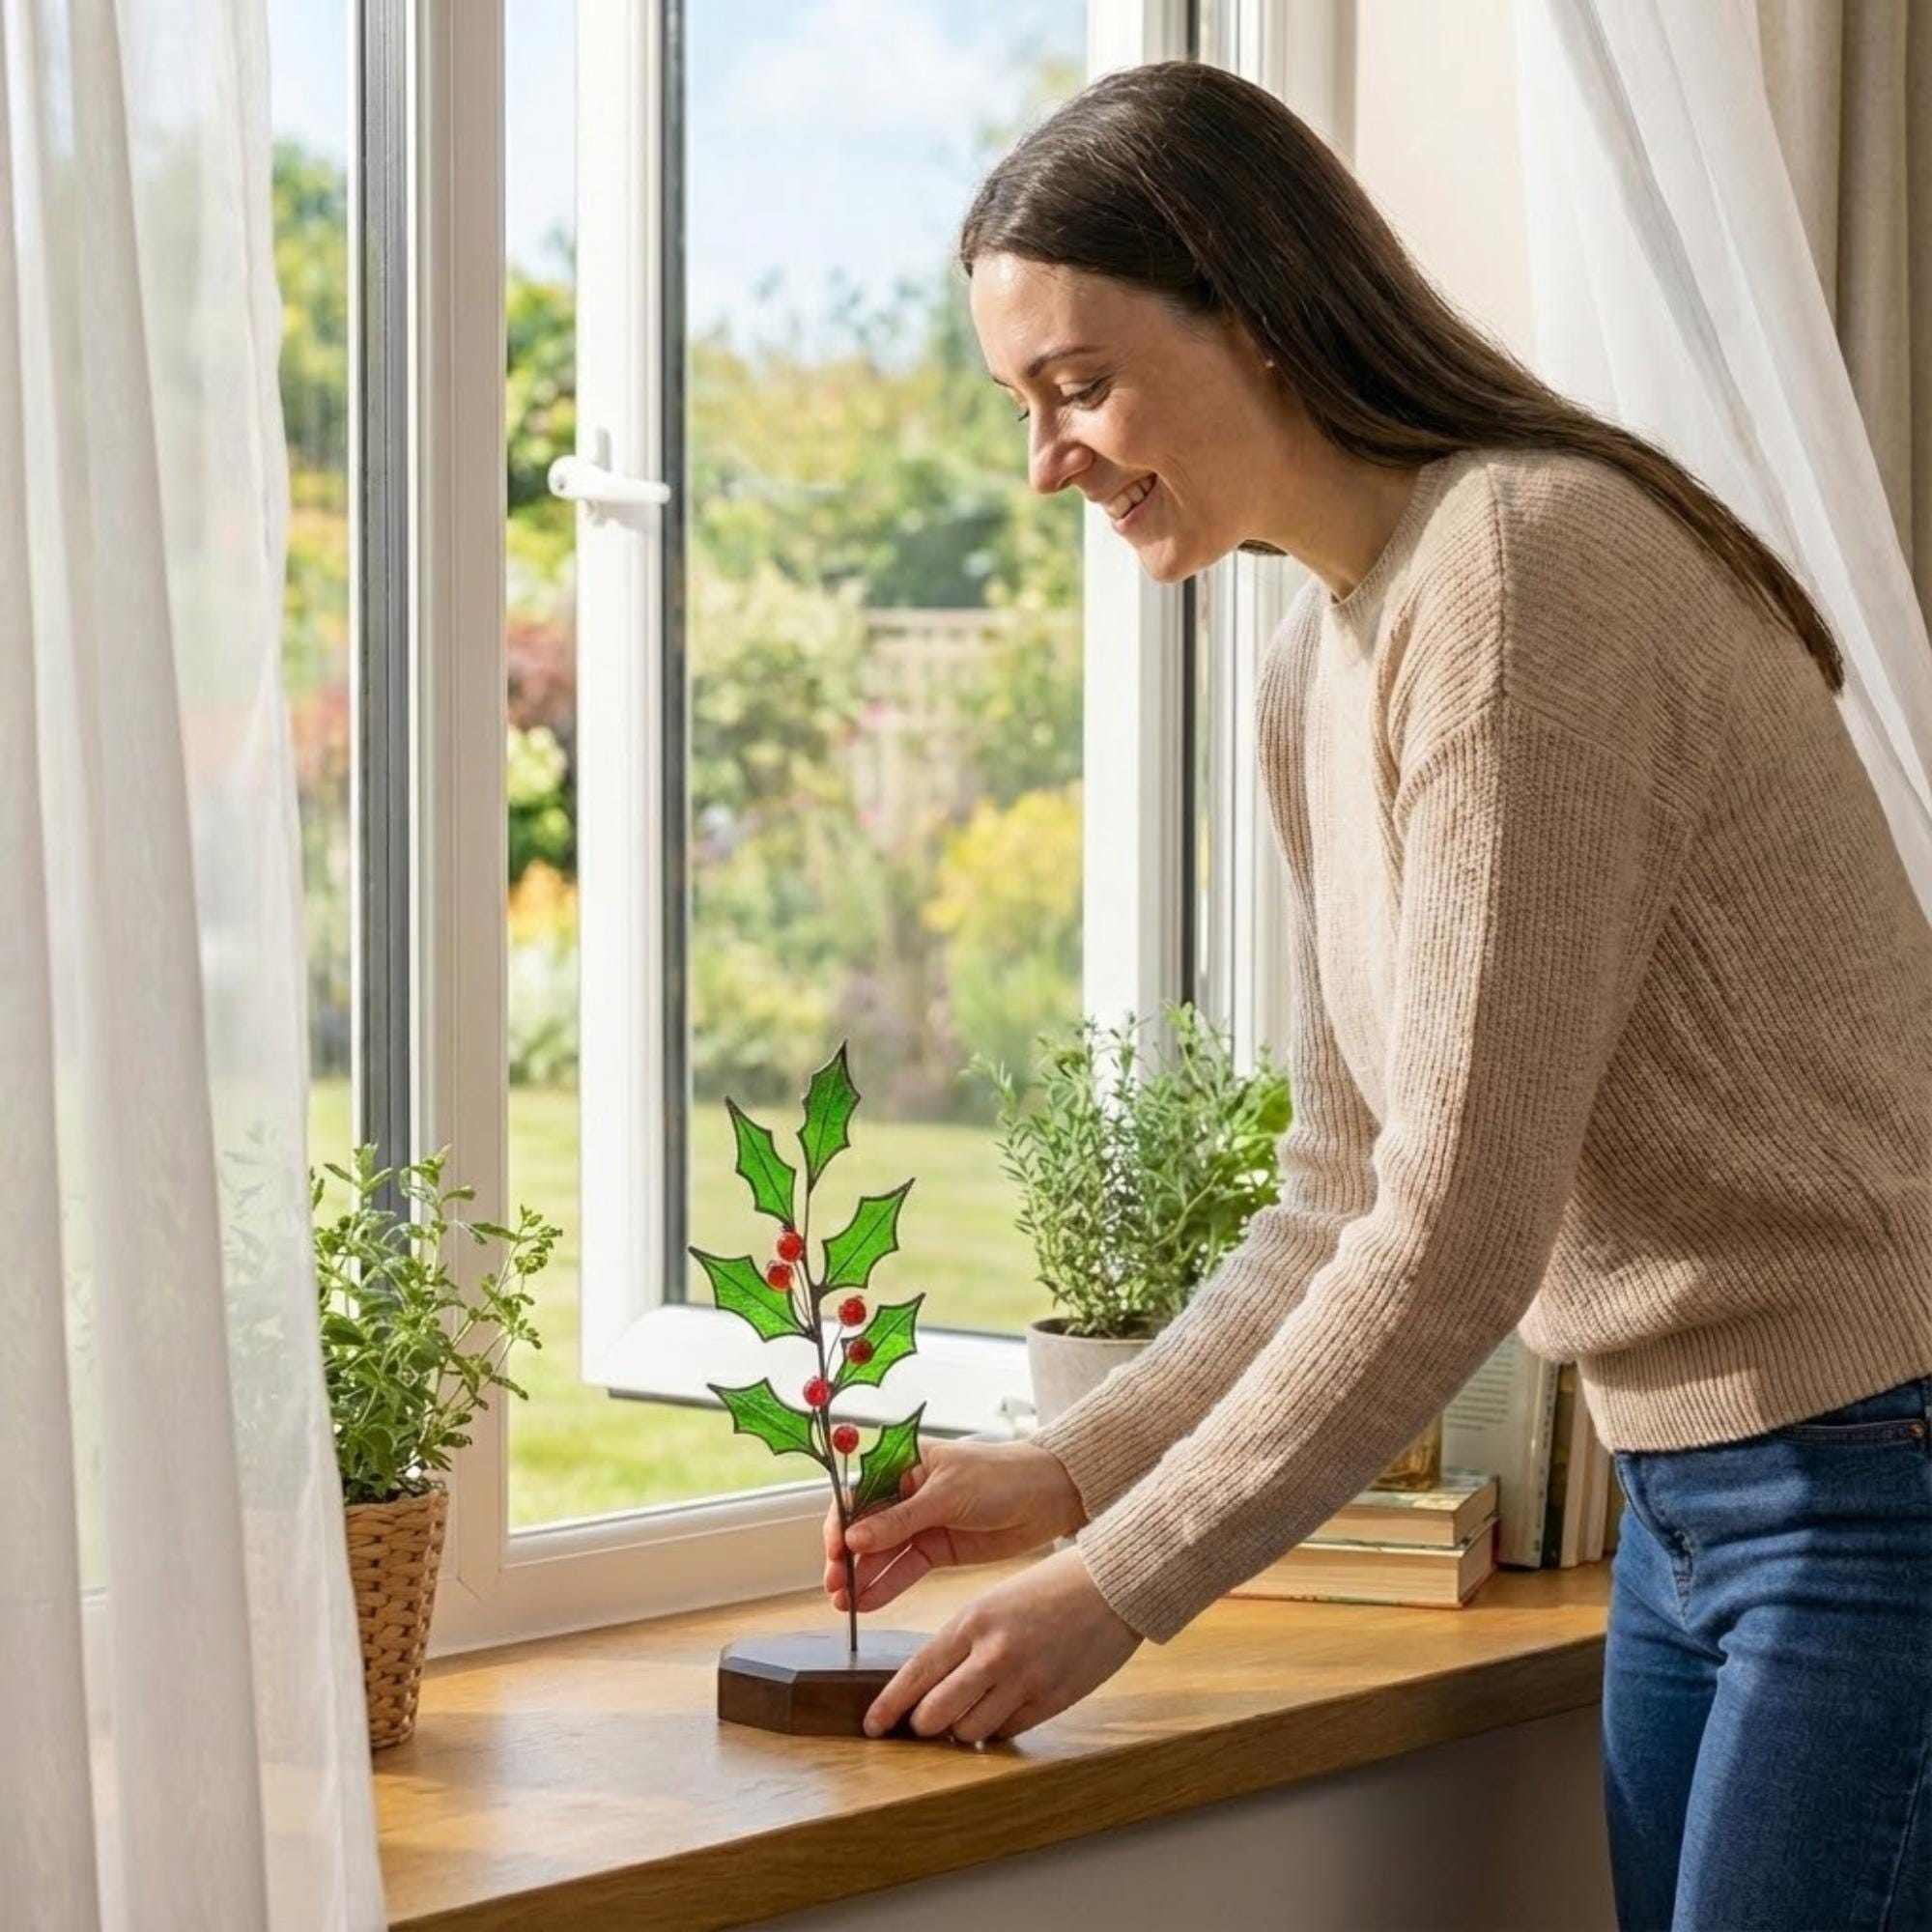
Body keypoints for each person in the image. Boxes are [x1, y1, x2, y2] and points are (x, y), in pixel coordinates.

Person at [821, 60, 1932, 1931]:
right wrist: (1070, 1465)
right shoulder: (1313, 671)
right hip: (1693, 1500)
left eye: (1078, 383)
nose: (1046, 460)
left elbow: (1454, 1233)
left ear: (1251, 315)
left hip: (1872, 1472)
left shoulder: (1526, 564)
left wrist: (1122, 1581)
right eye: (1024, 405)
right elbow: (1338, 1191)